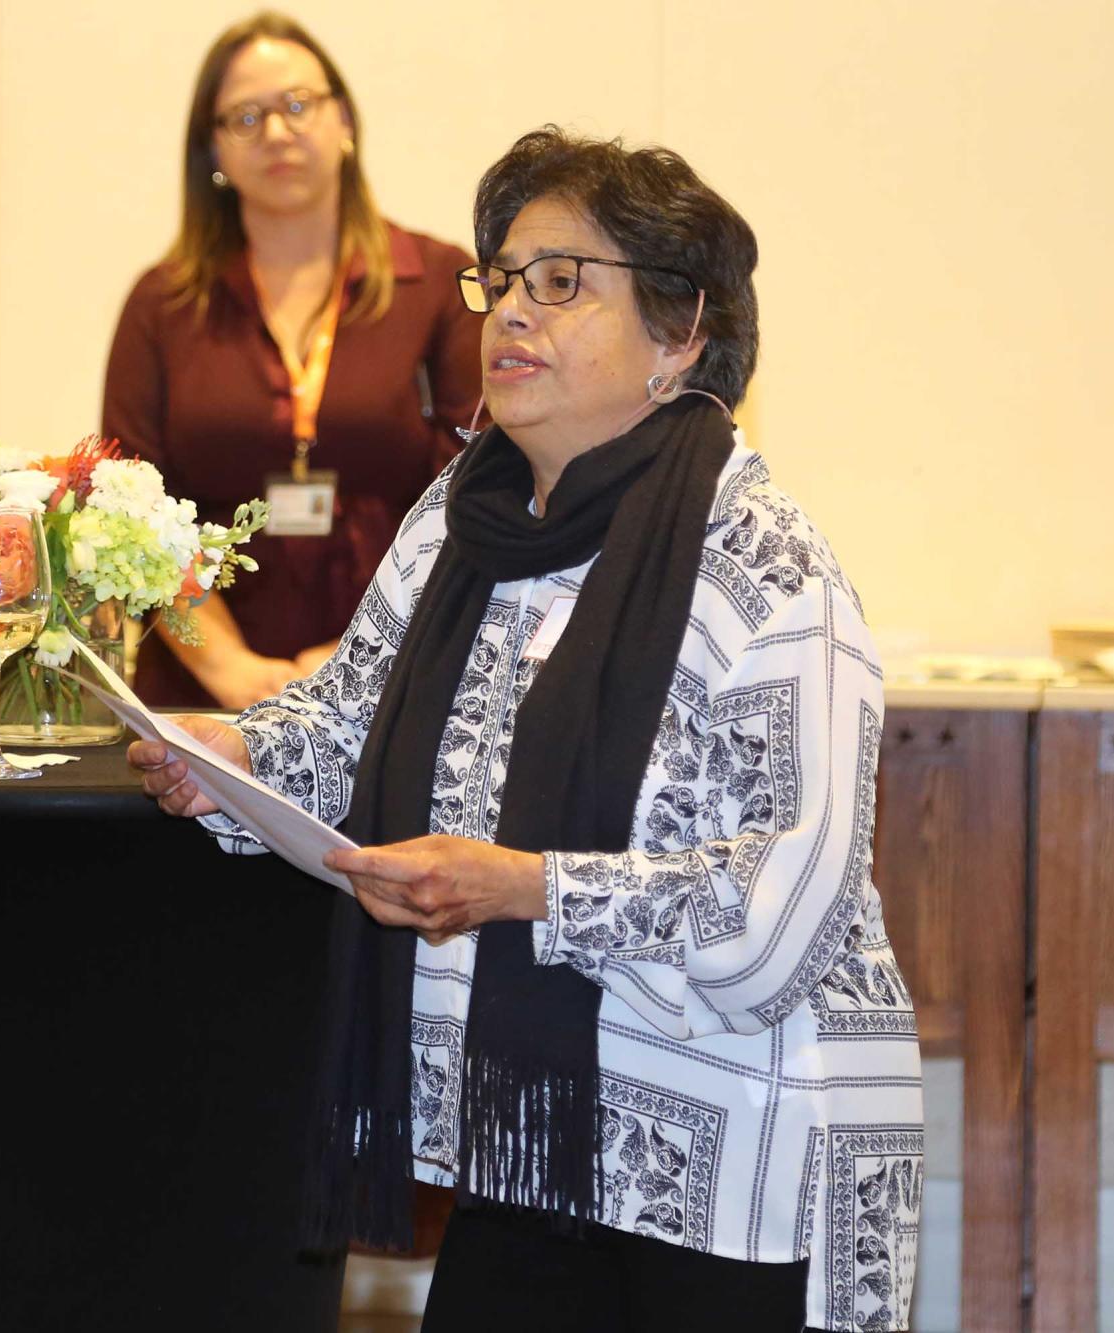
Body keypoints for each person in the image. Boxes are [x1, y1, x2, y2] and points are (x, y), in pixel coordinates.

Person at [132, 129, 921, 1332]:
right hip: (541, 1141)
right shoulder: (464, 516)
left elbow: (781, 916)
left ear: (680, 334)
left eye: (561, 280)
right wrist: (228, 761)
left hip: (744, 1160)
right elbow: (345, 724)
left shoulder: (763, 568)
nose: (509, 309)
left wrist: (526, 888)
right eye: (499, 278)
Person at [102, 10, 481, 709]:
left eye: (298, 105)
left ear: (345, 123)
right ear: (211, 152)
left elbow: (474, 497)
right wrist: (231, 669)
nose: (277, 132)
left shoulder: (439, 285)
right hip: (200, 697)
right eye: (245, 118)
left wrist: (353, 659)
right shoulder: (163, 305)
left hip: (396, 685)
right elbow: (134, 513)